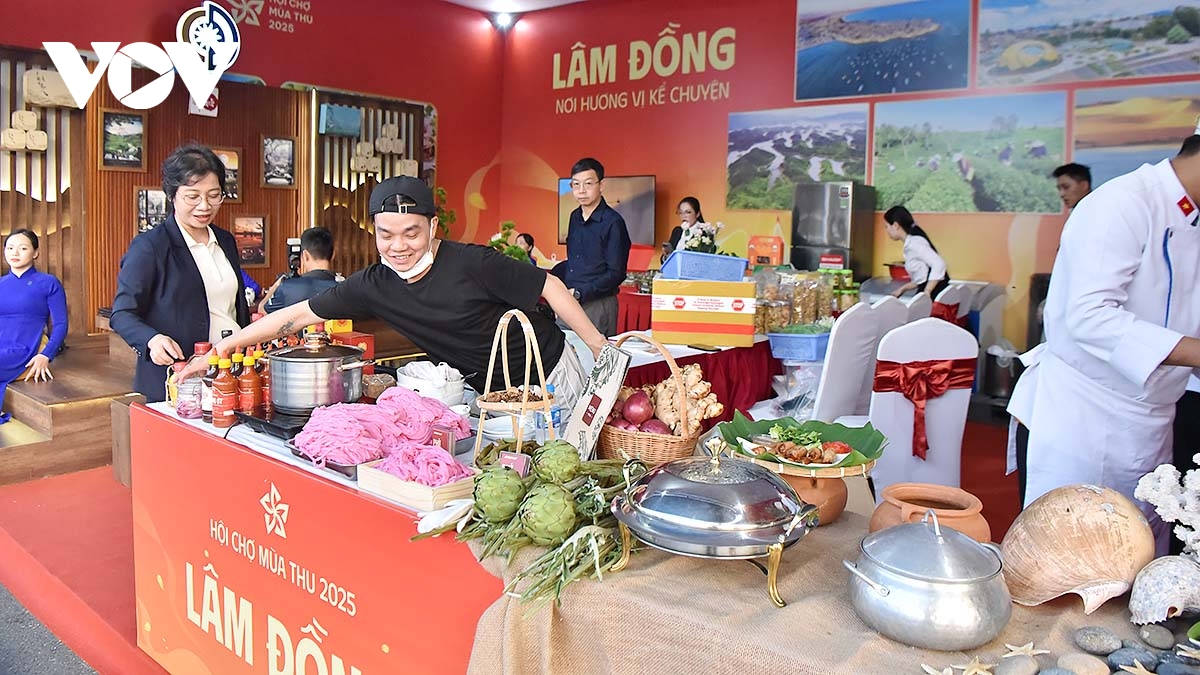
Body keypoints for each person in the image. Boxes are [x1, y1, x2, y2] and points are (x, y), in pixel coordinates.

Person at [184, 176, 606, 414]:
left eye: (411, 233)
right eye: (386, 235)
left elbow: (549, 285)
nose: (398, 246)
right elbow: (295, 316)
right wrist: (219, 352)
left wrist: (598, 346)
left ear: (433, 227)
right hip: (486, 392)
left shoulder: (473, 263)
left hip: (550, 375)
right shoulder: (373, 285)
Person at [1007, 135, 1200, 555]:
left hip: (1152, 421)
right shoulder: (1125, 202)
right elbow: (1090, 316)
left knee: (1138, 557)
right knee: (1072, 556)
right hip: (1086, 418)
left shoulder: (1192, 217)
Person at [111, 143, 250, 403]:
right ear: (172, 195)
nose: (204, 206)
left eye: (214, 195)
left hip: (229, 369)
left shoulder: (226, 241)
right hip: (178, 376)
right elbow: (122, 313)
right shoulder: (150, 246)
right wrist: (152, 340)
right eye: (192, 196)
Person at [0, 230, 68, 424]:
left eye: (23, 248)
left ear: (35, 253)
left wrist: (46, 354)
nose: (15, 253)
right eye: (10, 248)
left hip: (24, 346)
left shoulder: (48, 282)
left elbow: (61, 324)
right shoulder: (1, 283)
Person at [561, 157, 631, 336]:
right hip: (569, 301)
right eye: (576, 184)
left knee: (595, 354)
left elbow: (616, 273)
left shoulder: (613, 222)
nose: (581, 191)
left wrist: (580, 293)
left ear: (602, 185)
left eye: (588, 184)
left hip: (598, 304)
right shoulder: (574, 217)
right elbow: (575, 261)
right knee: (562, 351)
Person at [259, 227, 340, 313]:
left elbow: (262, 311)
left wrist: (275, 287)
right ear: (333, 254)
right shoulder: (344, 288)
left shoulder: (287, 287)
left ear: (305, 255)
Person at [882, 205, 949, 299]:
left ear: (896, 225)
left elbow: (939, 263)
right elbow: (921, 278)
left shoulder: (914, 243)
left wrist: (927, 291)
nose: (887, 230)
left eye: (886, 226)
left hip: (935, 296)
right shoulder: (911, 243)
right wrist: (902, 289)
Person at [664, 196, 704, 261]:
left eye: (688, 212)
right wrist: (666, 255)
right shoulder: (677, 231)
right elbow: (666, 258)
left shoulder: (704, 232)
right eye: (680, 212)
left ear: (697, 214)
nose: (683, 216)